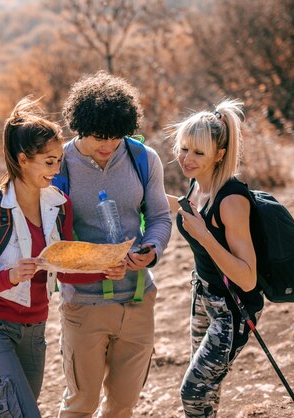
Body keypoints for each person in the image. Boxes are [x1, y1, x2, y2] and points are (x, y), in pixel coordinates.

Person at [0, 97, 126, 418]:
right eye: (49, 162)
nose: (56, 170)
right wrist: (9, 276)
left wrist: (103, 269)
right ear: (23, 160)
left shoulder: (59, 204)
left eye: (59, 161)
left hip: (35, 332)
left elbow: (63, 269)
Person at [54, 72, 172, 417]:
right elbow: (51, 239)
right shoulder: (58, 164)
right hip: (84, 305)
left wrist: (150, 251)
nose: (107, 146)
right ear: (78, 127)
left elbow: (161, 217)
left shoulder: (143, 158)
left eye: (115, 137)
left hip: (138, 300)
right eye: (97, 137)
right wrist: (93, 263)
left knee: (123, 406)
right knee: (81, 404)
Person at [168, 100, 264, 417]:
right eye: (184, 149)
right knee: (208, 392)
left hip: (232, 308)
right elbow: (188, 211)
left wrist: (204, 236)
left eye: (198, 153)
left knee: (193, 394)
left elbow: (248, 278)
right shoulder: (198, 184)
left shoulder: (231, 200)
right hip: (203, 298)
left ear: (219, 155)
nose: (187, 159)